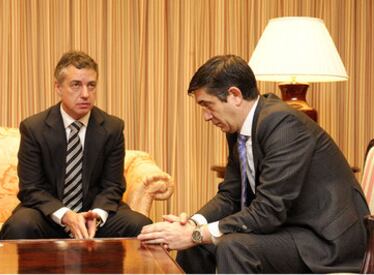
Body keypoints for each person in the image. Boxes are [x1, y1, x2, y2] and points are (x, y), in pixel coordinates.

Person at [138, 55, 369, 273]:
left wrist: (195, 234)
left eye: (208, 105)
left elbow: (269, 210)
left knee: (234, 247)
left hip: (324, 240)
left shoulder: (284, 124)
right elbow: (230, 195)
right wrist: (191, 224)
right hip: (289, 228)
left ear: (235, 95)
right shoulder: (237, 127)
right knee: (199, 244)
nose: (206, 116)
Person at [0, 50, 152, 240]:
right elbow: (31, 188)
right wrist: (65, 215)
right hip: (49, 216)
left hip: (94, 215)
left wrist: (95, 216)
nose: (85, 94)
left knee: (141, 226)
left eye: (91, 85)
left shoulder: (112, 128)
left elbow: (112, 186)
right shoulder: (34, 128)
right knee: (20, 225)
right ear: (58, 87)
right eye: (76, 85)